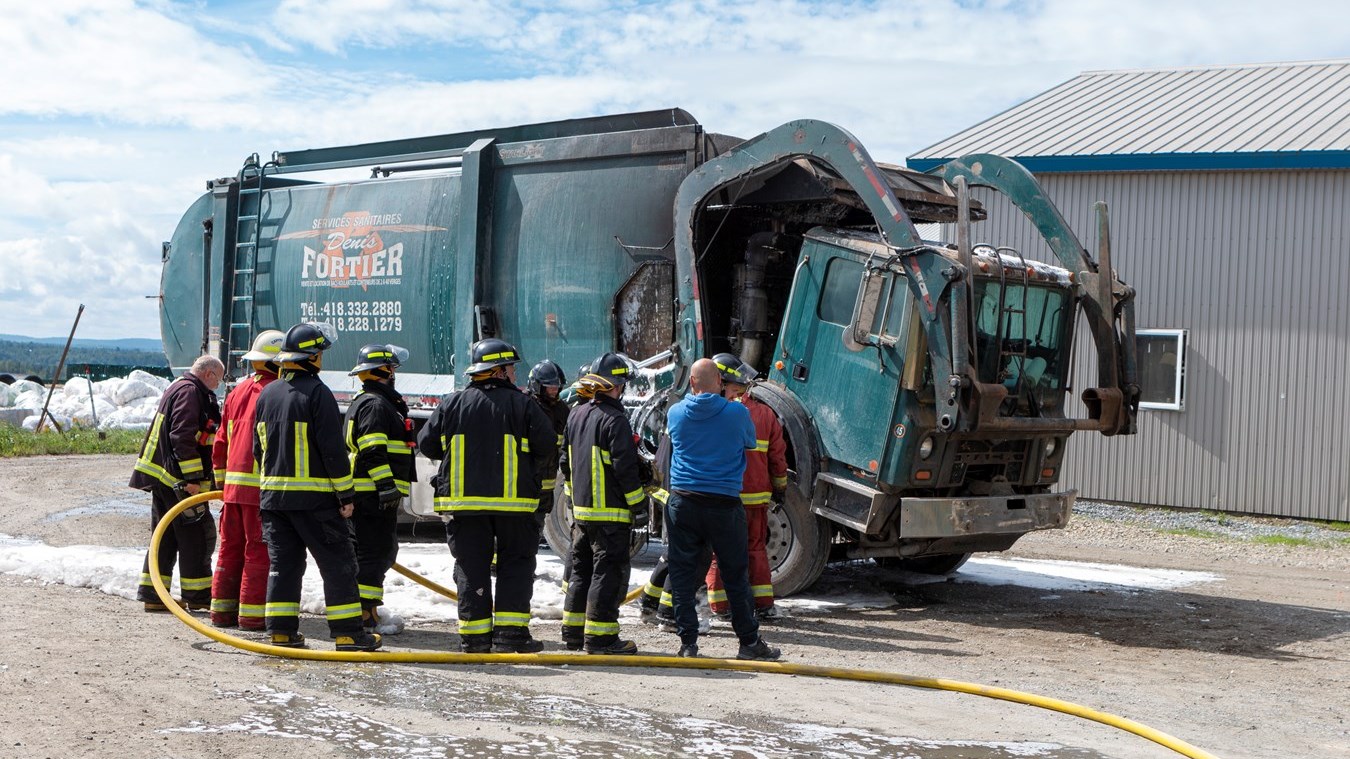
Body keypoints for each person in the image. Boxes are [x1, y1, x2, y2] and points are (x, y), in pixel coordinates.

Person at [417, 338, 555, 653]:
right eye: (511, 368)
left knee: (471, 567)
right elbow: (546, 444)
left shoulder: (452, 403)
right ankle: (511, 636)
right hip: (515, 506)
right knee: (515, 566)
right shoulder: (523, 404)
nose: (515, 374)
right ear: (498, 371)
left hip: (463, 505)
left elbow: (427, 444)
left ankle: (475, 638)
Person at [253, 322, 381, 652]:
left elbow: (259, 449)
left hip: (274, 502)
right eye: (320, 353)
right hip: (315, 502)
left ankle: (281, 632)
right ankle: (348, 634)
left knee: (284, 567)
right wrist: (346, 495)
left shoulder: (267, 394)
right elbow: (332, 451)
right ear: (312, 357)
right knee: (338, 565)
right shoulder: (317, 393)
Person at [663, 358, 780, 660]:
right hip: (724, 504)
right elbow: (749, 444)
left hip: (684, 502)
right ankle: (749, 643)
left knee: (683, 574)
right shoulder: (737, 413)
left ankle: (688, 644)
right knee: (735, 574)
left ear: (691, 382)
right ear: (720, 383)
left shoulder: (675, 413)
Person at [558, 355, 646, 655]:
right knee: (607, 573)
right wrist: (639, 506)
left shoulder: (576, 414)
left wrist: (574, 500)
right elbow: (625, 469)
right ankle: (601, 638)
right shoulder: (615, 420)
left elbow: (565, 462)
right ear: (617, 386)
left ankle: (573, 633)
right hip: (610, 515)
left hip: (582, 514)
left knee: (581, 572)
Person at [130, 354, 223, 613]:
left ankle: (153, 594)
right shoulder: (190, 393)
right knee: (197, 536)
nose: (218, 386)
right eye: (218, 380)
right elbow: (181, 436)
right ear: (208, 374)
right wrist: (192, 479)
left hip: (164, 478)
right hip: (179, 481)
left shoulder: (180, 387)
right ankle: (199, 595)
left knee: (166, 537)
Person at [208, 330, 284, 629]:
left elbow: (221, 440)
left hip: (232, 491)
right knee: (258, 552)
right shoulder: (277, 393)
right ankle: (251, 617)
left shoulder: (237, 392)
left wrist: (222, 484)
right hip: (260, 491)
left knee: (229, 549)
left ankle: (221, 613)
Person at [705, 353, 788, 620]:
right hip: (755, 498)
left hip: (724, 497)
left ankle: (721, 606)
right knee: (755, 549)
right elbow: (777, 458)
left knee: (719, 551)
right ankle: (763, 605)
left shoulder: (714, 414)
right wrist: (780, 488)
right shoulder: (764, 414)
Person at [344, 343, 417, 634]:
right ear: (383, 371)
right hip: (372, 495)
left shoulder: (370, 401)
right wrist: (386, 486)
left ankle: (365, 611)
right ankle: (365, 614)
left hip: (367, 494)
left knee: (373, 552)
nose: (394, 374)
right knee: (375, 554)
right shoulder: (376, 404)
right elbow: (372, 450)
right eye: (392, 369)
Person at [526, 359, 569, 527]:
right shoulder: (526, 406)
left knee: (538, 524)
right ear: (537, 386)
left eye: (557, 386)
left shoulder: (562, 410)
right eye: (550, 386)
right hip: (526, 483)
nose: (555, 390)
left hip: (547, 484)